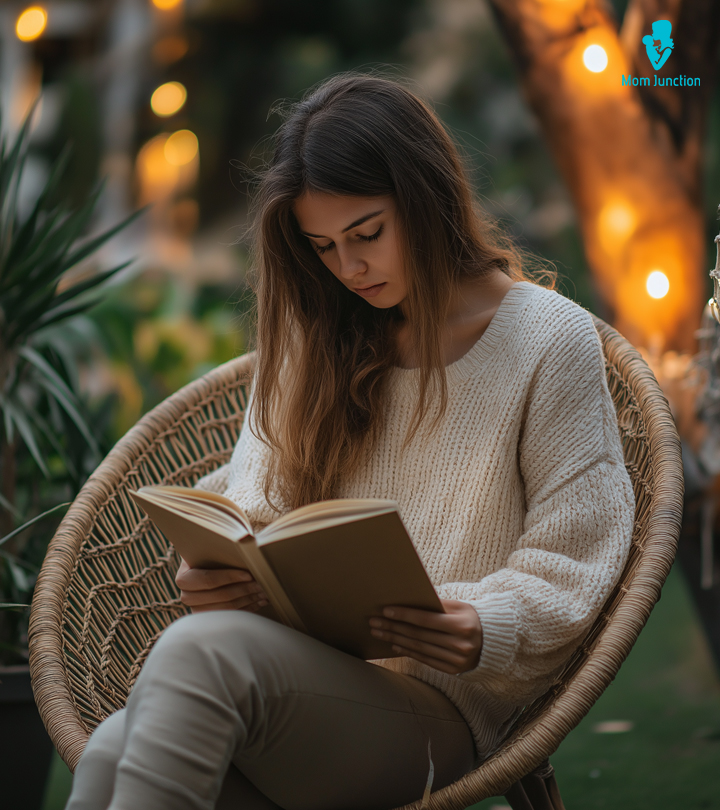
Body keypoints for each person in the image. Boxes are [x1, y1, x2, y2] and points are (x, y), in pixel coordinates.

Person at [66, 72, 635, 810]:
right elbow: (254, 502)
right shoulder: (320, 333)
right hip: (306, 689)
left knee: (194, 661)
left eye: (366, 234)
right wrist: (213, 574)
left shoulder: (547, 340)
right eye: (324, 246)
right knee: (115, 747)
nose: (350, 268)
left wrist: (484, 625)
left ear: (427, 197)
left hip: (443, 712)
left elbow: (575, 560)